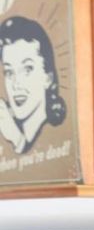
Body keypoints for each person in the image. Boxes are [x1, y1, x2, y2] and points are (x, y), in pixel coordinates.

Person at [0, 16, 67, 154]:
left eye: (27, 69)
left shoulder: (56, 135)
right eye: (9, 72)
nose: (16, 84)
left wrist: (17, 139)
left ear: (48, 78)